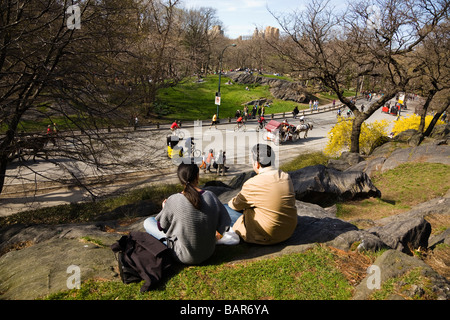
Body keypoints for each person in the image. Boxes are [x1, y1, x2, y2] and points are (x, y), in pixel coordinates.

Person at [143, 163, 231, 265]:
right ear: (197, 176)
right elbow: (225, 224)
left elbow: (161, 226)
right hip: (208, 252)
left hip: (182, 256)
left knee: (148, 222)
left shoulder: (174, 199)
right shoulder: (211, 196)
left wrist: (164, 208)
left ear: (180, 179)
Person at [224, 144, 297, 245]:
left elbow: (235, 205)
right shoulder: (285, 176)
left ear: (257, 164)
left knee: (224, 208)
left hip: (266, 236)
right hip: (287, 231)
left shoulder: (253, 183)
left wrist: (232, 201)